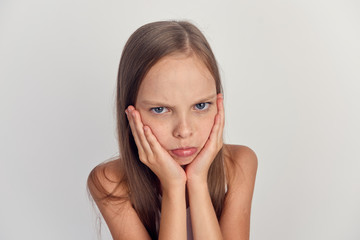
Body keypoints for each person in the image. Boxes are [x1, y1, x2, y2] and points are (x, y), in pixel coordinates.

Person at [87, 20, 258, 240]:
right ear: (131, 114)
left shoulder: (239, 164)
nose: (184, 131)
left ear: (218, 103)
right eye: (160, 109)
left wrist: (197, 181)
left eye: (200, 106)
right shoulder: (110, 182)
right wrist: (174, 186)